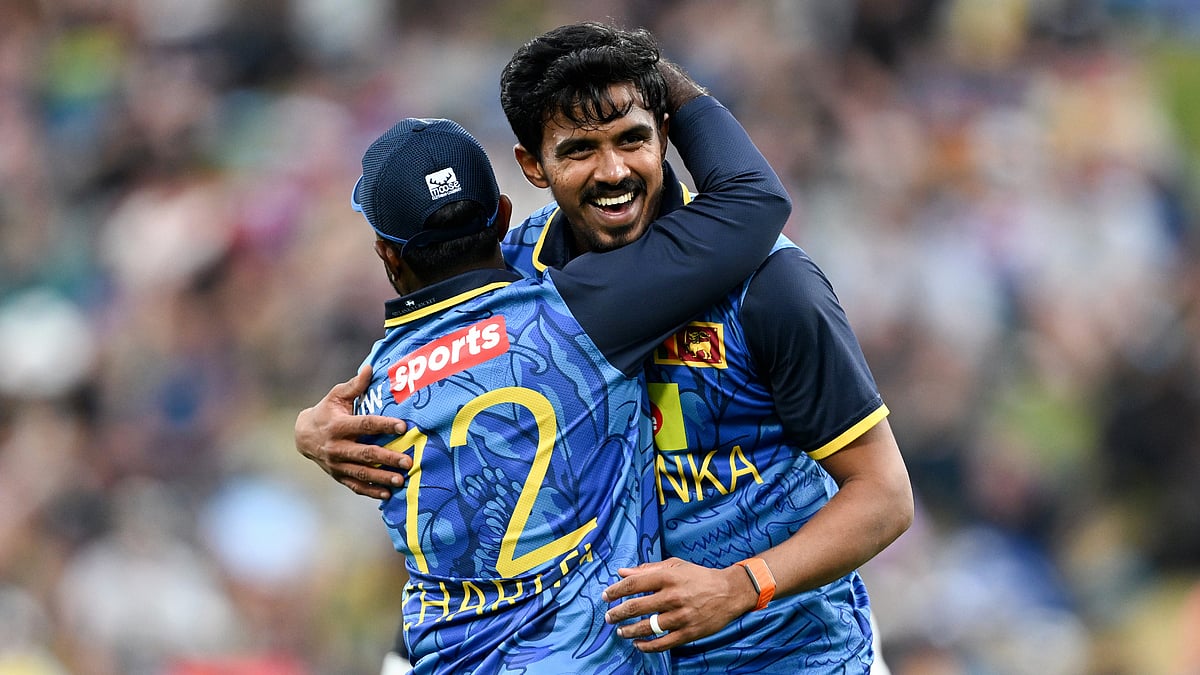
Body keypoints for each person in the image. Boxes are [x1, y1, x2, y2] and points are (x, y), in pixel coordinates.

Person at [297, 21, 912, 674]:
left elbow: (884, 496)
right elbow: (447, 430)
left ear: (666, 135)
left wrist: (741, 584)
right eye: (580, 149)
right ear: (532, 166)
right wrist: (316, 427)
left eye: (632, 139)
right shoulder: (513, 273)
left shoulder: (770, 284)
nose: (613, 170)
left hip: (792, 655)